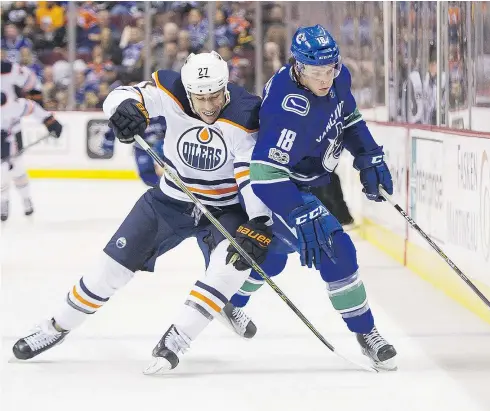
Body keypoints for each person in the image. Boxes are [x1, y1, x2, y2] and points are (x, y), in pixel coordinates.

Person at [11, 52, 281, 375]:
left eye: (215, 96)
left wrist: (259, 220)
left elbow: (248, 175)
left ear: (226, 87)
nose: (209, 106)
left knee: (238, 259)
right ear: (187, 89)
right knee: (107, 271)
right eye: (200, 97)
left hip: (226, 206)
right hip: (170, 200)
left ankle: (180, 336)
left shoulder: (245, 112)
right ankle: (55, 327)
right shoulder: (171, 89)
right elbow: (124, 95)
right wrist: (121, 109)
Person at [224, 25, 397, 370]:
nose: (325, 79)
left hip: (305, 177)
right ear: (297, 67)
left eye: (330, 69)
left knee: (275, 254)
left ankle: (230, 298)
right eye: (316, 72)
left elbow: (347, 118)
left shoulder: (337, 76)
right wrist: (298, 210)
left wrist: (369, 156)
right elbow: (265, 173)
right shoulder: (287, 110)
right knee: (337, 250)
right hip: (278, 183)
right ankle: (367, 334)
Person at [1, 91, 62, 221]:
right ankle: (3, 202)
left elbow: (33, 107)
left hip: (14, 142)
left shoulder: (15, 105)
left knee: (18, 171)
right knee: (2, 175)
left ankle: (26, 198)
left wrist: (50, 121)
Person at [1, 59, 46, 217]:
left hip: (13, 128)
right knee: (1, 171)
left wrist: (45, 115)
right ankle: (3, 202)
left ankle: (26, 199)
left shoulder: (9, 69)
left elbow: (31, 82)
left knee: (17, 167)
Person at [103, 116, 167, 187]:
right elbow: (118, 120)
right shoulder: (136, 112)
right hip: (142, 148)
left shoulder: (165, 112)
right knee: (146, 175)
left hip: (165, 147)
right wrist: (109, 141)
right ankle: (161, 190)